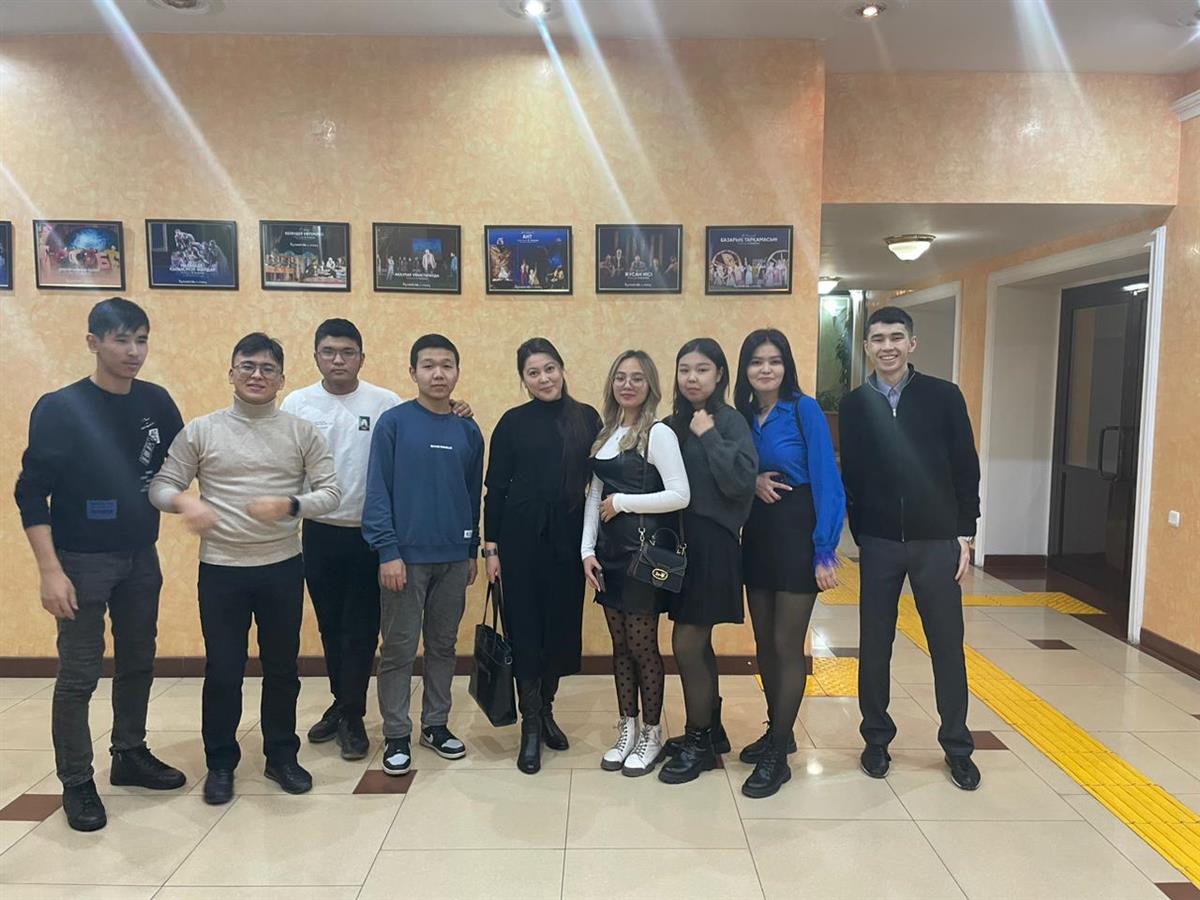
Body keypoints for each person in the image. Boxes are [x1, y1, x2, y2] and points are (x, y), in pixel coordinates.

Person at [14, 298, 187, 832]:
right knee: (79, 674)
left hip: (141, 555)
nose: (134, 351)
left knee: (138, 661)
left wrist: (191, 503)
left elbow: (179, 466)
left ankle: (129, 753)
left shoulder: (156, 402)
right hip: (79, 560)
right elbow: (30, 494)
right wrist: (49, 570)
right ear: (93, 342)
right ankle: (76, 780)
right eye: (121, 340)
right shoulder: (60, 407)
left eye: (141, 339)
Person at [150, 333, 340, 806]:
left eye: (268, 368)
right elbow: (161, 485)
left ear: (282, 378)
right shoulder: (202, 430)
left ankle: (281, 755)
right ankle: (220, 763)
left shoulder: (301, 431)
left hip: (282, 567)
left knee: (282, 669)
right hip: (222, 570)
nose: (257, 375)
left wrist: (291, 504)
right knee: (223, 670)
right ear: (231, 373)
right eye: (248, 366)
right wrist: (185, 503)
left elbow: (332, 493)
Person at [839, 306, 982, 791]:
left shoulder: (943, 396)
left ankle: (957, 747)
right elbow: (853, 473)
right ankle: (876, 740)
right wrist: (862, 532)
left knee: (946, 645)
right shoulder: (855, 404)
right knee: (875, 645)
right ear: (867, 347)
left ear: (911, 343)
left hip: (936, 541)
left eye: (896, 337)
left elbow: (965, 466)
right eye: (878, 339)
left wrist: (964, 533)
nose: (888, 347)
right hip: (879, 542)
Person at [363, 334, 484, 777]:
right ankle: (396, 733)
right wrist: (387, 551)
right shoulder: (394, 423)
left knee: (443, 645)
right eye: (429, 365)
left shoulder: (468, 429)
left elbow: (472, 494)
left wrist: (470, 549)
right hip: (404, 559)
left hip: (453, 557)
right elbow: (378, 490)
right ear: (412, 372)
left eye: (447, 365)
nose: (438, 373)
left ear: (457, 372)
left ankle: (435, 724)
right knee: (398, 647)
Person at [734, 328, 844, 798]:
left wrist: (824, 549)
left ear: (786, 366)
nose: (765, 369)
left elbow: (827, 477)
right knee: (763, 643)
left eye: (774, 361)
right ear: (744, 369)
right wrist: (752, 481)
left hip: (799, 530)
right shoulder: (741, 416)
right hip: (758, 533)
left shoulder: (804, 409)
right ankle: (778, 729)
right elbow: (728, 469)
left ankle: (777, 755)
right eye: (756, 361)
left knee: (786, 643)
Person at [484, 339, 602, 774]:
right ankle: (530, 724)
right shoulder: (512, 422)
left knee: (559, 629)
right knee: (525, 629)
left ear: (562, 369)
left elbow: (602, 481)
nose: (544, 378)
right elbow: (495, 489)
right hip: (520, 540)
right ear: (524, 380)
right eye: (533, 373)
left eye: (549, 368)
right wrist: (491, 548)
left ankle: (546, 708)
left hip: (568, 540)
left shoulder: (587, 418)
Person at [582, 350, 690, 777]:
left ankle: (651, 732)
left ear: (651, 386)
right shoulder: (606, 433)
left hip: (644, 558)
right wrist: (586, 551)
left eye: (637, 378)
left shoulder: (658, 433)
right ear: (612, 384)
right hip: (608, 556)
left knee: (643, 647)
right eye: (621, 377)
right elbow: (594, 496)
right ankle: (626, 728)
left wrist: (623, 502)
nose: (628, 385)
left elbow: (680, 495)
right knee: (621, 647)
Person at [658, 339, 757, 785]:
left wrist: (709, 435)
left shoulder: (730, 421)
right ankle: (711, 730)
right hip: (679, 545)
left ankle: (698, 742)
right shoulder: (670, 424)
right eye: (684, 369)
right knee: (696, 643)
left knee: (687, 641)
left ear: (719, 374)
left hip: (713, 543)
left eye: (702, 369)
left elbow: (740, 483)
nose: (692, 377)